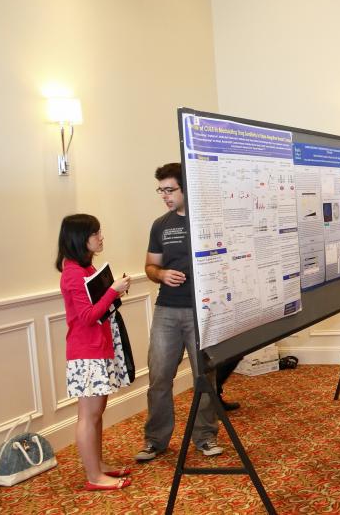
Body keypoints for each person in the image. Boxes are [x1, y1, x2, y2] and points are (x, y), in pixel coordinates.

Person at [135, 163, 224, 463]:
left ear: (186, 188)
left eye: (170, 190)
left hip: (204, 310)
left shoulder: (210, 220)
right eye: (161, 190)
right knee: (159, 376)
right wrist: (160, 275)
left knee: (204, 375)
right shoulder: (160, 225)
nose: (165, 196)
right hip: (167, 311)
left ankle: (205, 435)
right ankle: (155, 440)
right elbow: (149, 266)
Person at [56, 214, 134, 490]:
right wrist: (113, 291)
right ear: (81, 239)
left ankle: (97, 465)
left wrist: (114, 292)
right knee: (88, 415)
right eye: (96, 233)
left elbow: (99, 308)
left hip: (97, 347)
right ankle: (93, 476)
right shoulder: (73, 274)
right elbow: (88, 317)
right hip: (85, 351)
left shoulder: (86, 270)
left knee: (97, 412)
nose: (101, 237)